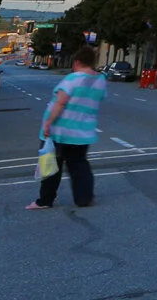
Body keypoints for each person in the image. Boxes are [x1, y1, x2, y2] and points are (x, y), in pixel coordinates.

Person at [27, 45, 107, 210]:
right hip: (83, 132)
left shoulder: (72, 79)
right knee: (79, 165)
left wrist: (48, 122)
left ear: (77, 62)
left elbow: (61, 102)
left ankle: (45, 200)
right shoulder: (100, 81)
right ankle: (84, 198)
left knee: (51, 166)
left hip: (60, 131)